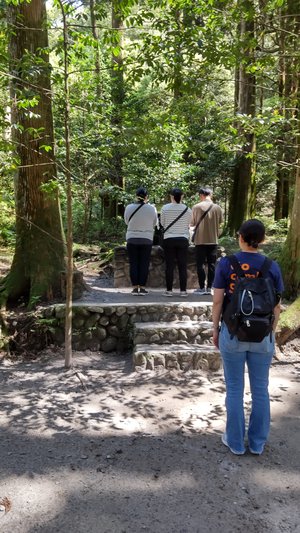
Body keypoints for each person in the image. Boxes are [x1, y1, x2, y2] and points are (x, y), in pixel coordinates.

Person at [212, 219, 284, 455]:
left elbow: (218, 300)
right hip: (262, 335)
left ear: (240, 236)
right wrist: (271, 334)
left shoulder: (227, 263)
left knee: (234, 388)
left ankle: (234, 442)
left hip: (232, 333)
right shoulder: (271, 266)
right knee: (260, 390)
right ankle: (257, 443)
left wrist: (215, 329)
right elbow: (276, 306)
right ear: (262, 240)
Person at [124, 187, 158, 295]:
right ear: (146, 197)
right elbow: (154, 223)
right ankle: (142, 288)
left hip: (132, 238)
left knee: (133, 263)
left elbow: (126, 221)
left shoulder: (129, 207)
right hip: (146, 239)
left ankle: (134, 288)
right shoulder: (152, 209)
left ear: (136, 196)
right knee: (144, 263)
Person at [190, 186, 223, 295]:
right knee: (212, 264)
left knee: (200, 264)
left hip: (200, 240)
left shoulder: (196, 207)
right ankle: (210, 287)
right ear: (211, 195)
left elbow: (192, 223)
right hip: (213, 240)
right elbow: (220, 223)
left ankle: (201, 287)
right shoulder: (217, 208)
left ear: (201, 195)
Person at [160, 188, 192, 296]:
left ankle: (169, 290)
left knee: (169, 266)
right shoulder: (188, 209)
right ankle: (183, 291)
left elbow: (163, 224)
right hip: (183, 239)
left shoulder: (165, 208)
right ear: (182, 197)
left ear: (171, 196)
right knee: (182, 266)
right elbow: (189, 224)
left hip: (169, 239)